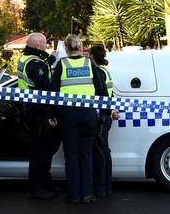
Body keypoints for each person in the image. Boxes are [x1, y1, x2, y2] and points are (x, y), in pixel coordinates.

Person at [50, 35, 108, 204]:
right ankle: (87, 194)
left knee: (72, 154)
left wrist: (52, 115)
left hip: (68, 116)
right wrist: (104, 110)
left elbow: (53, 92)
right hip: (88, 115)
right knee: (86, 154)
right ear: (81, 48)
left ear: (66, 49)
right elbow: (101, 88)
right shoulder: (89, 64)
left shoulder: (61, 64)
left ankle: (74, 195)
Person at [18, 32, 60, 200]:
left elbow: (39, 71)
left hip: (30, 108)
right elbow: (46, 90)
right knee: (39, 151)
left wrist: (49, 59)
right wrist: (51, 114)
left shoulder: (27, 58)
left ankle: (45, 183)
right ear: (37, 46)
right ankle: (36, 188)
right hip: (38, 111)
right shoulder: (36, 63)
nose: (46, 46)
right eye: (44, 44)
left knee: (45, 149)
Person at [89, 45, 119, 198]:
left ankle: (100, 188)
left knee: (99, 152)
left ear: (92, 56)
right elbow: (110, 93)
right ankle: (107, 186)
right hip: (106, 115)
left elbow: (99, 93)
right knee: (105, 151)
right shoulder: (105, 71)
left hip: (100, 116)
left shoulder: (97, 72)